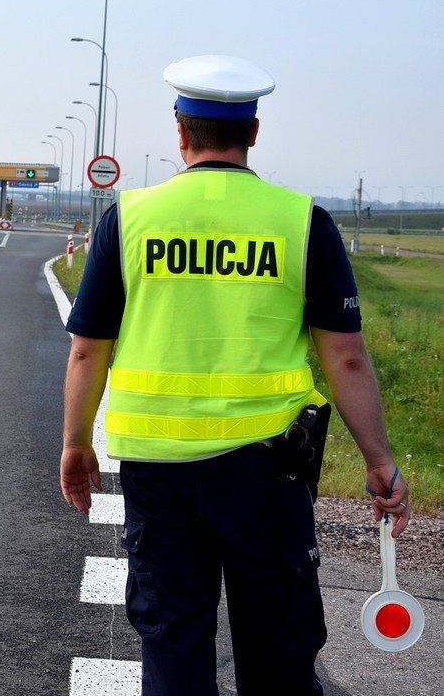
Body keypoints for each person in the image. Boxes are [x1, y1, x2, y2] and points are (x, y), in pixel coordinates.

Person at [59, 55, 410, 696]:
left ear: (180, 131)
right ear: (252, 134)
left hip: (159, 473)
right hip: (267, 475)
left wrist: (77, 444)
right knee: (278, 653)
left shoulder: (129, 220)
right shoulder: (301, 222)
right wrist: (378, 458)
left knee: (174, 649)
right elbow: (347, 358)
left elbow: (88, 352)